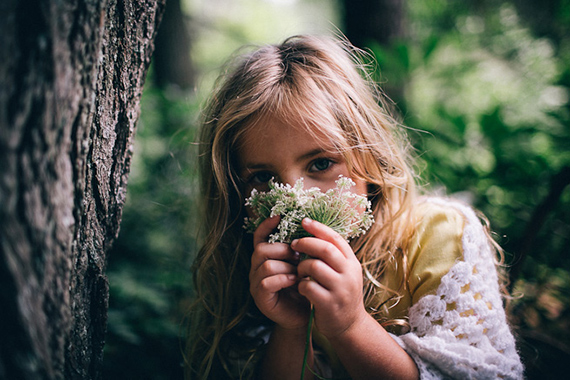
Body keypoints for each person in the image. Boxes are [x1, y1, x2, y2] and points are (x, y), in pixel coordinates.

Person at [186, 34, 524, 379]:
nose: (295, 198)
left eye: (320, 164)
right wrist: (290, 328)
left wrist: (350, 326)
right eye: (262, 177)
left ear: (370, 155)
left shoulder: (438, 233)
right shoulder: (253, 268)